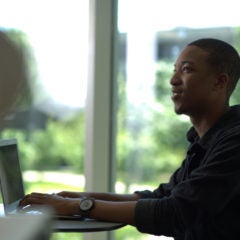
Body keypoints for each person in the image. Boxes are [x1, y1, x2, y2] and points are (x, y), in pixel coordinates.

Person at [19, 38, 240, 240]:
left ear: (219, 82)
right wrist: (76, 198)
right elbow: (161, 197)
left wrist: (79, 206)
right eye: (175, 71)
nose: (173, 80)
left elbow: (175, 211)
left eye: (186, 70)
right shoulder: (205, 140)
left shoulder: (234, 140)